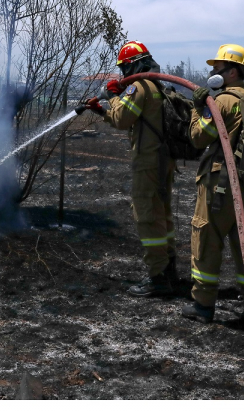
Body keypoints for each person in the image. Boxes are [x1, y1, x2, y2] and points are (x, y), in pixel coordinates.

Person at [83, 41, 178, 297]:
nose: (123, 74)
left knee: (147, 217)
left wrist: (113, 98)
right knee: (162, 214)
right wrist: (102, 109)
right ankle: (170, 271)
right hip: (162, 160)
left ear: (132, 65)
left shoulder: (140, 86)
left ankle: (158, 278)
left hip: (148, 162)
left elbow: (123, 119)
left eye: (124, 68)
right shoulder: (157, 84)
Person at [182, 44, 244, 323]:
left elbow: (198, 137)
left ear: (232, 72)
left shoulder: (223, 102)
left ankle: (203, 306)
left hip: (220, 186)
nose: (212, 73)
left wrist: (197, 108)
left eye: (217, 69)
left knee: (207, 239)